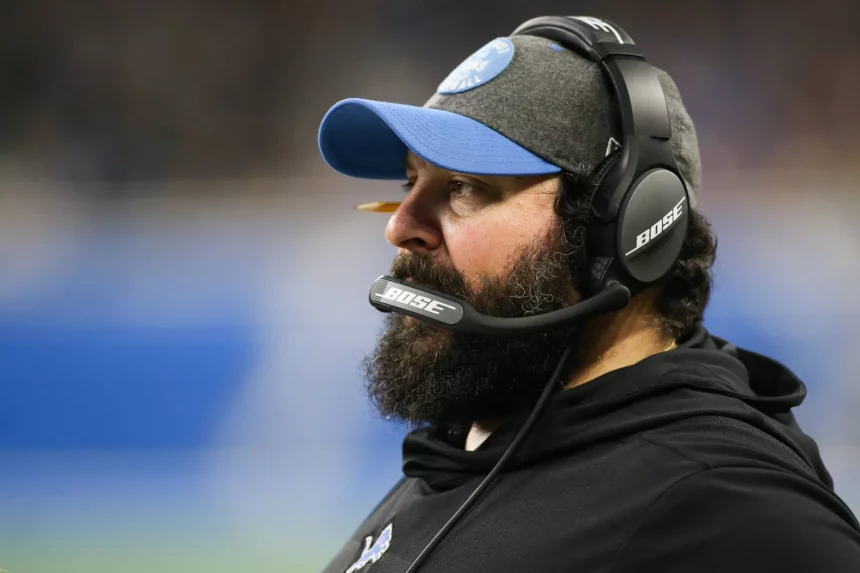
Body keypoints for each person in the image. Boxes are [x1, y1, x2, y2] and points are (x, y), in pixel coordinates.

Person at [316, 15, 860, 573]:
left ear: (625, 228)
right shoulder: (465, 454)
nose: (400, 226)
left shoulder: (725, 506)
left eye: (464, 186)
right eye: (412, 182)